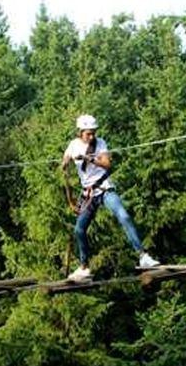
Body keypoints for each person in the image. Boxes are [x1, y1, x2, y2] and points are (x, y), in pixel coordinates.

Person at [62, 114, 160, 281]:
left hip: (104, 188)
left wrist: (90, 159)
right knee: (79, 230)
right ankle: (84, 267)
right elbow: (65, 163)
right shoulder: (73, 145)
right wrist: (66, 163)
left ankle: (143, 256)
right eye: (88, 133)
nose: (92, 136)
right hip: (88, 194)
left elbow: (107, 163)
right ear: (80, 132)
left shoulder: (100, 144)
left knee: (124, 216)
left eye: (93, 132)